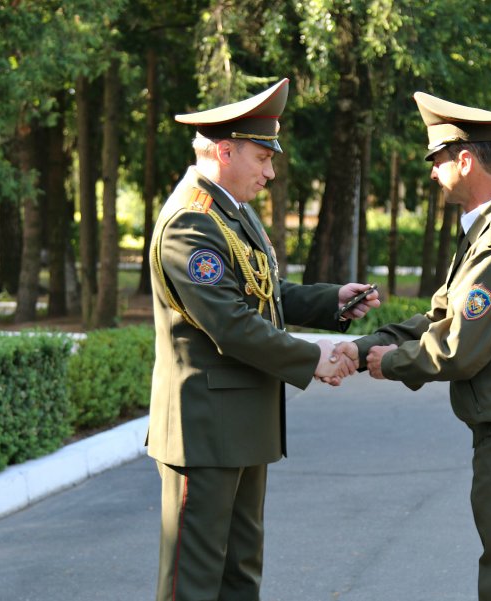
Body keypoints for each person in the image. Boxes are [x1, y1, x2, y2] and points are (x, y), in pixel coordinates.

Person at [147, 77, 379, 601]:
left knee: (240, 576)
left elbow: (263, 293)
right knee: (193, 583)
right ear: (225, 151)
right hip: (205, 432)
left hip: (242, 424)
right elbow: (230, 324)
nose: (270, 172)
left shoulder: (233, 211)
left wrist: (331, 301)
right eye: (262, 157)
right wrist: (313, 357)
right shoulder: (191, 223)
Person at [335, 91, 491, 601]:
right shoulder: (486, 233)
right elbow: (440, 318)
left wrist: (390, 363)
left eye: (437, 159)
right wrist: (365, 348)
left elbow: (459, 348)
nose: (432, 172)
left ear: (465, 161)